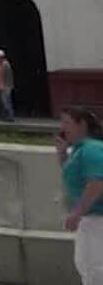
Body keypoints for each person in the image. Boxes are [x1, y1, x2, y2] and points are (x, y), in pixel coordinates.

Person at [57, 106, 103, 283]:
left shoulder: (91, 149)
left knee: (95, 266)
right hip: (90, 218)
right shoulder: (78, 150)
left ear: (82, 124)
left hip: (97, 218)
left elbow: (97, 181)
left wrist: (77, 212)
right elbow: (74, 177)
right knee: (86, 263)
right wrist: (62, 155)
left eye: (67, 123)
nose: (63, 128)